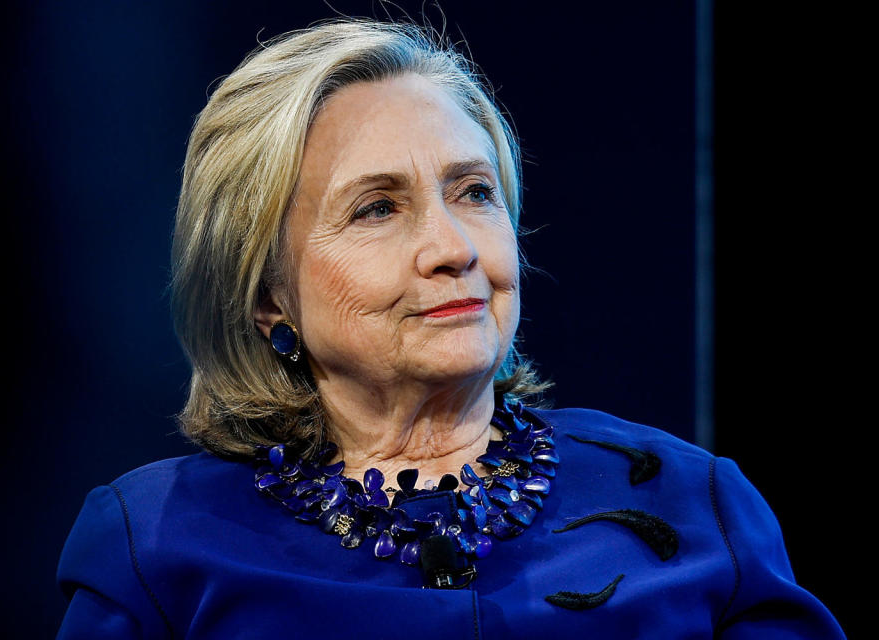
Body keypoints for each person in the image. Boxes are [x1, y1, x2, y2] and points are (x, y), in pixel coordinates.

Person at [56, 18, 844, 639]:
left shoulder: (693, 503)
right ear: (268, 297)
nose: (454, 249)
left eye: (473, 192)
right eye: (377, 208)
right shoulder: (157, 547)